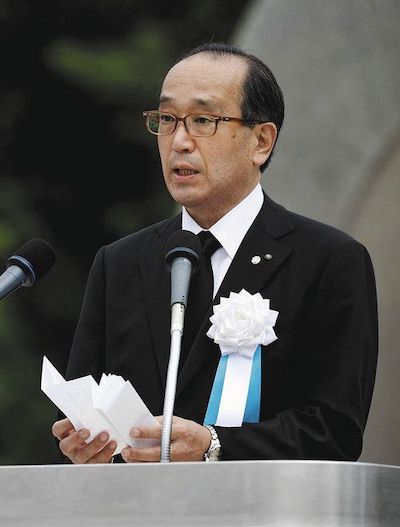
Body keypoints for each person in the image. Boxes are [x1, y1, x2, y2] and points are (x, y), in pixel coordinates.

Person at [52, 42, 378, 464]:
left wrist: (212, 444)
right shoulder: (119, 263)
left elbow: (333, 433)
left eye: (203, 121)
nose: (179, 142)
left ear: (261, 141)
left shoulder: (328, 260)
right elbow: (80, 411)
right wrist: (80, 447)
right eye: (167, 119)